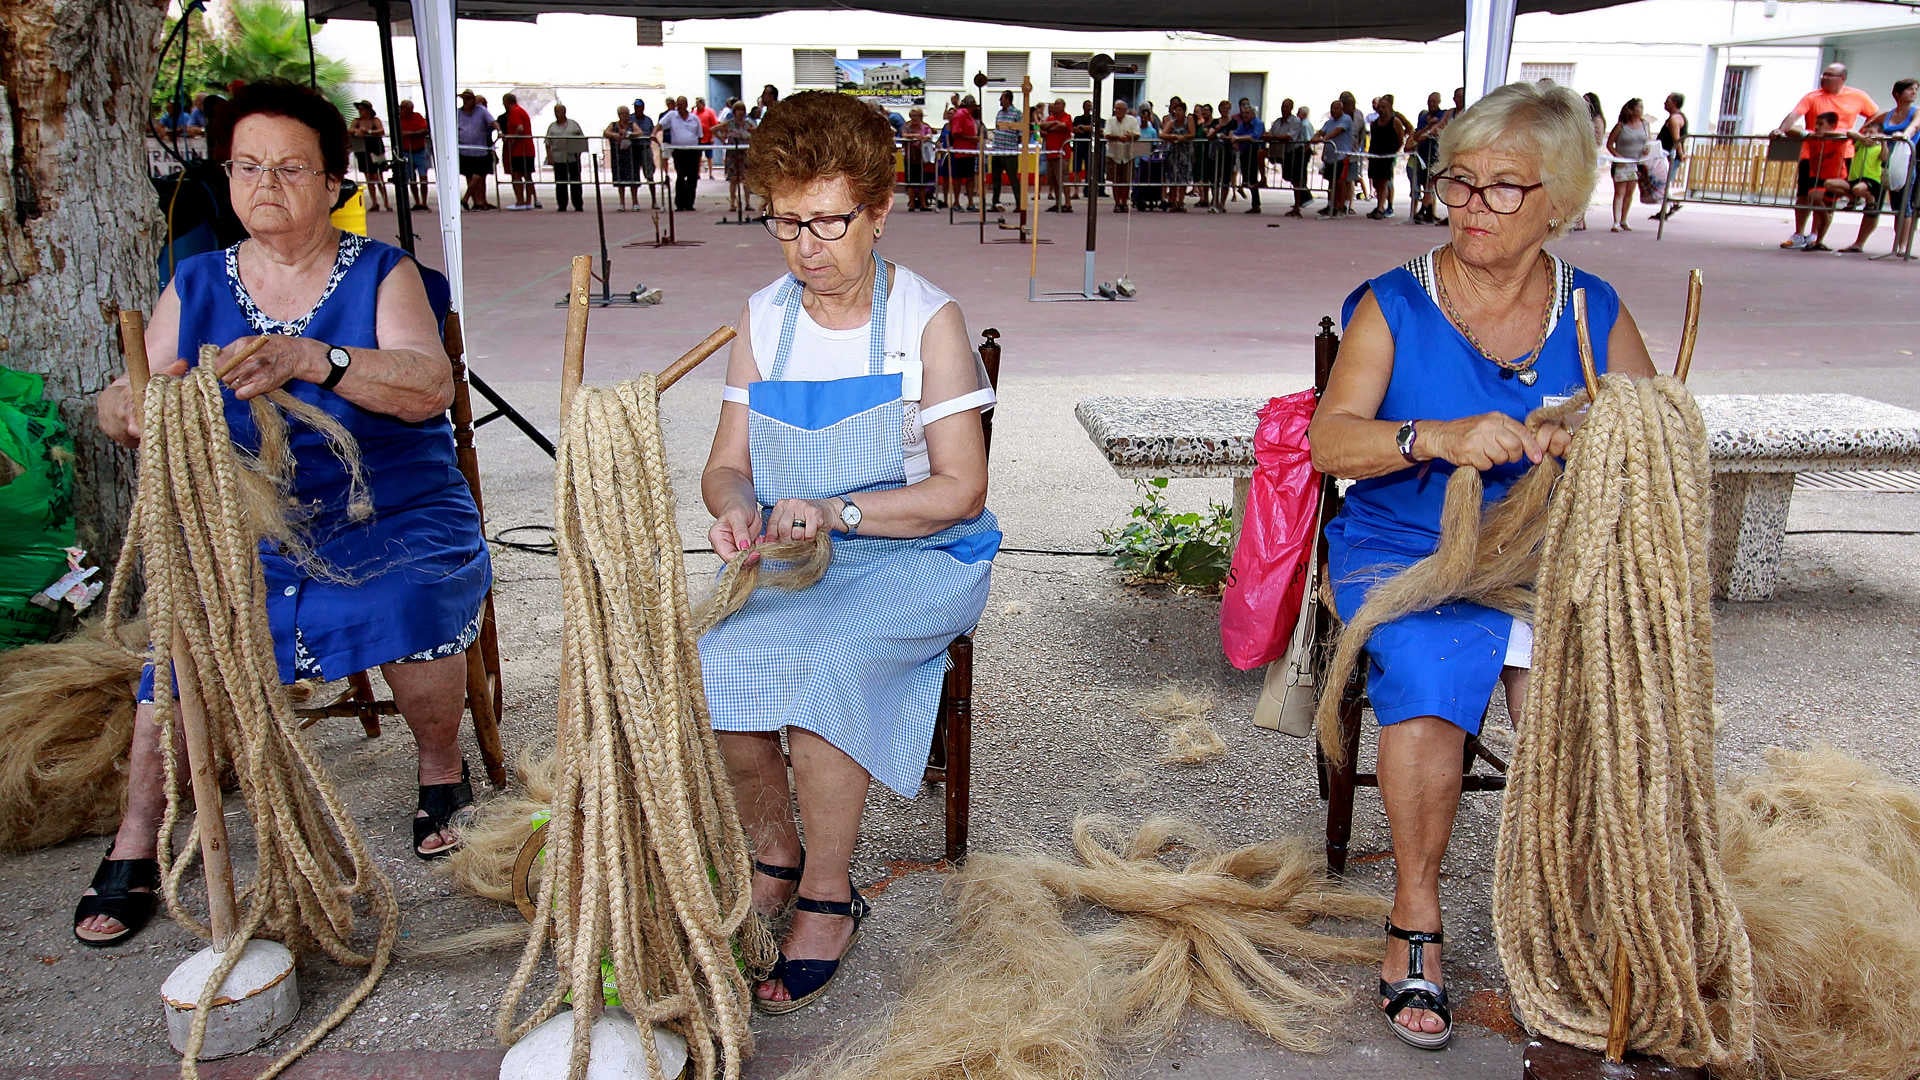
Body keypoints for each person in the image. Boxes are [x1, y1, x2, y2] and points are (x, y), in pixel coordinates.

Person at [74, 80, 491, 948]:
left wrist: (316, 357)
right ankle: (137, 839)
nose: (266, 183)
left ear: (334, 182)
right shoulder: (196, 284)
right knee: (187, 624)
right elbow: (125, 398)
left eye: (291, 167)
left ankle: (440, 769)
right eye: (248, 165)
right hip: (250, 518)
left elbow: (428, 387)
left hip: (390, 503)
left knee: (406, 597)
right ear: (226, 177)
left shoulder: (383, 272)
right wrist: (133, 409)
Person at [1308, 80, 1658, 1052]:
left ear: (1561, 201)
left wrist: (1588, 441)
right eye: (1457, 180)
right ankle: (1416, 917)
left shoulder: (1592, 310)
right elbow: (1331, 445)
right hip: (1405, 547)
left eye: (1504, 188)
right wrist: (1436, 437)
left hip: (1543, 550)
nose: (1470, 204)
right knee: (1426, 674)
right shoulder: (1393, 304)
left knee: (1574, 694)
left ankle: (1570, 920)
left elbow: (1651, 432)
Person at [701, 89, 998, 1013]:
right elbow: (724, 467)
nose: (806, 248)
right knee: (713, 656)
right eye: (786, 224)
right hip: (794, 549)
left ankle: (829, 891)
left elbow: (962, 489)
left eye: (828, 222)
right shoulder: (764, 319)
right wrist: (734, 513)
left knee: (827, 661)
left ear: (878, 209)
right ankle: (773, 849)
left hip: (921, 553)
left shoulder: (926, 320)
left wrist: (839, 510)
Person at [1771, 62, 1879, 251]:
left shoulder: (1857, 96)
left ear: (1842, 79)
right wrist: (1781, 130)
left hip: (1842, 154)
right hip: (1811, 153)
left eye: (1830, 75)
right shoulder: (1813, 97)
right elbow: (1795, 115)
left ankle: (1816, 235)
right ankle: (1799, 233)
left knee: (1827, 198)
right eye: (1824, 74)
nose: (1824, 78)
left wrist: (1859, 134)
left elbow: (1876, 115)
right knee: (1804, 194)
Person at [1838, 79, 1919, 254]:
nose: (1914, 92)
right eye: (1910, 90)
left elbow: (1914, 127)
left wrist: (1903, 135)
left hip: (1903, 163)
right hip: (1880, 164)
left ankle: (1901, 246)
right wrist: (1866, 137)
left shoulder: (1916, 112)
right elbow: (1863, 130)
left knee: (1903, 204)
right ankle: (1859, 243)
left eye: (1915, 90)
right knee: (1874, 203)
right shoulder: (1886, 115)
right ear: (1897, 94)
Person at [1798, 111, 1854, 251]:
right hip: (1817, 177)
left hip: (1835, 178)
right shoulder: (1813, 137)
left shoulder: (1838, 138)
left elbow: (1847, 133)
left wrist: (1825, 135)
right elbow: (1794, 130)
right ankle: (1820, 237)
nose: (1816, 127)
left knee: (1820, 201)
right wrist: (1807, 133)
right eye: (1816, 124)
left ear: (1832, 125)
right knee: (1816, 201)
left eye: (1821, 124)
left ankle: (1820, 238)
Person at [1604, 97, 1648, 232]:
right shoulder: (1621, 126)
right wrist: (1617, 155)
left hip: (1637, 163)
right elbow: (1609, 144)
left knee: (1630, 192)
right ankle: (1616, 221)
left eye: (1642, 107)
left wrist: (1647, 149)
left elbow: (1648, 139)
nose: (1641, 110)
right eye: (1638, 107)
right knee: (1620, 192)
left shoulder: (1645, 124)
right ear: (1631, 109)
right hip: (1622, 164)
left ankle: (1624, 219)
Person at [1367, 94, 1412, 219]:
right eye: (1379, 107)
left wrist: (1395, 151)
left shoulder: (1395, 120)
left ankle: (1382, 207)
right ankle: (1379, 205)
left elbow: (1401, 137)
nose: (1381, 109)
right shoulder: (1375, 123)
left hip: (1388, 156)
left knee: (1384, 181)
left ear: (1389, 107)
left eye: (1383, 107)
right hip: (1375, 155)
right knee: (1376, 182)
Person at [1311, 98, 1358, 217]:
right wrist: (1315, 137)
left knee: (1340, 182)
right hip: (1330, 157)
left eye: (1336, 108)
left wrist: (1324, 138)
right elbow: (1321, 132)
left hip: (1342, 156)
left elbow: (1337, 131)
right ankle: (1330, 204)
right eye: (1332, 108)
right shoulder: (1329, 122)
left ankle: (1340, 206)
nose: (1333, 110)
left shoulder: (1346, 119)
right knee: (1331, 182)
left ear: (1341, 109)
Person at [661, 96, 705, 212]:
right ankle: (680, 204)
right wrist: (653, 134)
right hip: (679, 151)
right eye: (678, 104)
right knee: (680, 176)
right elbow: (660, 125)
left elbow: (700, 136)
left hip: (692, 151)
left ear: (686, 105)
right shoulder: (672, 116)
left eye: (682, 104)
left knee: (692, 177)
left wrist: (699, 153)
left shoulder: (694, 118)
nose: (679, 107)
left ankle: (690, 203)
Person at [455, 89, 496, 211]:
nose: (466, 101)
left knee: (479, 175)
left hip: (481, 149)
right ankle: (476, 201)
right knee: (469, 175)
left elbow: (493, 123)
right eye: (464, 99)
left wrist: (498, 132)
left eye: (469, 99)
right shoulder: (458, 113)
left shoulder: (482, 111)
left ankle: (470, 199)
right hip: (465, 149)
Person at [1649, 92, 1689, 221]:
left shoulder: (1674, 119)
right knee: (1663, 182)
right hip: (1667, 155)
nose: (1665, 103)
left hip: (1669, 156)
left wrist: (1681, 154)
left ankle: (1671, 204)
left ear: (1674, 103)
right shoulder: (1674, 117)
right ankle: (1666, 207)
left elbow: (1676, 138)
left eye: (1668, 101)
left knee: (1663, 182)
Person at [1408, 92, 1447, 224]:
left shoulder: (1443, 115)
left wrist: (1431, 129)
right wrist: (1427, 127)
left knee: (1431, 183)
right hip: (1423, 154)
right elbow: (1417, 135)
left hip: (1436, 154)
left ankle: (1423, 210)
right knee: (1426, 183)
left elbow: (1439, 129)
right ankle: (1429, 212)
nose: (1431, 104)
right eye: (1430, 101)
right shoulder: (1423, 117)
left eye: (1434, 102)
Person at [347, 101, 390, 212]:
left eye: (362, 109)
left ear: (368, 110)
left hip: (376, 150)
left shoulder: (375, 120)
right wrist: (357, 131)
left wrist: (368, 131)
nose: (361, 112)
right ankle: (374, 202)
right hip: (362, 151)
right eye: (359, 109)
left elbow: (381, 130)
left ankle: (386, 202)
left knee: (378, 176)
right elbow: (350, 129)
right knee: (368, 177)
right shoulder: (357, 121)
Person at [544, 103, 587, 212]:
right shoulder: (552, 127)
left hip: (573, 157)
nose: (557, 114)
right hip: (558, 158)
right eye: (556, 112)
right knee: (560, 183)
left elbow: (581, 140)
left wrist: (579, 153)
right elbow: (547, 143)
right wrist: (550, 157)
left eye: (559, 111)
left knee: (576, 182)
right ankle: (562, 205)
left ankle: (578, 205)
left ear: (564, 112)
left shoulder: (573, 124)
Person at [499, 92, 536, 210]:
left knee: (516, 176)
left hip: (519, 150)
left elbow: (520, 128)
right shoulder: (521, 110)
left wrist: (511, 141)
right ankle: (528, 201)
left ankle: (520, 201)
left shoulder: (514, 112)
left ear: (506, 102)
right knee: (527, 175)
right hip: (527, 149)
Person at [988, 90, 1023, 213]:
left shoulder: (1017, 113)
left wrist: (1007, 127)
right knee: (996, 179)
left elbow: (1020, 132)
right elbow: (997, 128)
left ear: (1008, 99)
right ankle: (995, 203)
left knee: (1013, 179)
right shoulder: (999, 113)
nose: (1000, 101)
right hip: (997, 150)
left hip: (1010, 152)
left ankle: (1019, 204)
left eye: (1001, 98)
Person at [1159, 97, 1195, 212]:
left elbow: (1192, 134)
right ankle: (1173, 202)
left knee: (1183, 178)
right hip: (1173, 153)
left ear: (1184, 111)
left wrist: (1183, 138)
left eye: (1180, 110)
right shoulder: (1171, 122)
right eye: (1176, 110)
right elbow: (1162, 134)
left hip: (1185, 152)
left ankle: (1181, 202)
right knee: (1173, 177)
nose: (1177, 112)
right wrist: (1173, 137)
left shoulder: (1188, 120)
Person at [1106, 99, 1141, 214]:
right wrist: (1118, 138)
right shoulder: (1110, 121)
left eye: (1120, 109)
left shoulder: (1132, 120)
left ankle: (1124, 203)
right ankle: (1117, 203)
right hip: (1113, 154)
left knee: (1126, 181)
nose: (1117, 111)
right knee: (1115, 180)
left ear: (1125, 110)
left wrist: (1130, 136)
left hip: (1127, 155)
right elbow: (1107, 134)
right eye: (1116, 108)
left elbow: (1137, 135)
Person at [1230, 99, 1265, 214]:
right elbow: (1236, 133)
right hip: (1245, 152)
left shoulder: (1258, 123)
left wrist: (1238, 139)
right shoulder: (1243, 124)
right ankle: (1247, 192)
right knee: (1247, 177)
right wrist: (1233, 137)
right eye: (1243, 114)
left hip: (1255, 153)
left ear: (1252, 114)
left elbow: (1254, 136)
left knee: (1253, 178)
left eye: (1247, 113)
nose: (1244, 116)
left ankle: (1256, 204)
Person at [603, 105, 640, 212]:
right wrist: (614, 135)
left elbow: (640, 132)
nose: (626, 116)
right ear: (619, 115)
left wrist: (629, 134)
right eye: (624, 114)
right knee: (620, 180)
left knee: (633, 179)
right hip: (618, 157)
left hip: (631, 156)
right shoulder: (613, 124)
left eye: (627, 113)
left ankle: (635, 202)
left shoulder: (631, 124)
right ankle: (622, 202)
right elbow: (606, 132)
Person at [1041, 98, 1075, 213]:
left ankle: (1068, 203)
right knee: (1054, 180)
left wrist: (1049, 129)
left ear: (1063, 105)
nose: (1055, 106)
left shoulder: (1067, 117)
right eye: (1054, 104)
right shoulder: (1051, 118)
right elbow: (1042, 127)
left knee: (1063, 179)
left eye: (1057, 104)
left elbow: (1064, 126)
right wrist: (1054, 124)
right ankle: (1057, 202)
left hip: (1062, 154)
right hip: (1050, 153)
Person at [397, 99, 432, 209]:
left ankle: (424, 202)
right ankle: (417, 201)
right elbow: (399, 132)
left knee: (423, 177)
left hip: (419, 151)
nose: (402, 110)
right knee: (412, 179)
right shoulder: (399, 119)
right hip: (406, 151)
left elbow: (425, 129)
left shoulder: (417, 116)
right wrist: (413, 133)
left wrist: (412, 133)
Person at [718, 107, 753, 214]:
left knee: (746, 179)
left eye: (742, 110)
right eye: (738, 110)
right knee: (733, 180)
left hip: (745, 154)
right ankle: (732, 203)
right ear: (734, 112)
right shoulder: (729, 123)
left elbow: (757, 132)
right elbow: (714, 129)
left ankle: (747, 203)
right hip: (733, 154)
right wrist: (723, 139)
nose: (740, 112)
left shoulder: (748, 124)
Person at [902, 107, 935, 212]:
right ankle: (911, 203)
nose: (913, 118)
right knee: (910, 181)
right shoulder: (907, 126)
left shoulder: (925, 127)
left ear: (920, 116)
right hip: (910, 157)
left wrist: (924, 137)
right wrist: (916, 136)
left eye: (916, 116)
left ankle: (923, 204)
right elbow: (904, 135)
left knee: (922, 181)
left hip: (922, 158)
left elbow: (929, 135)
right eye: (912, 116)